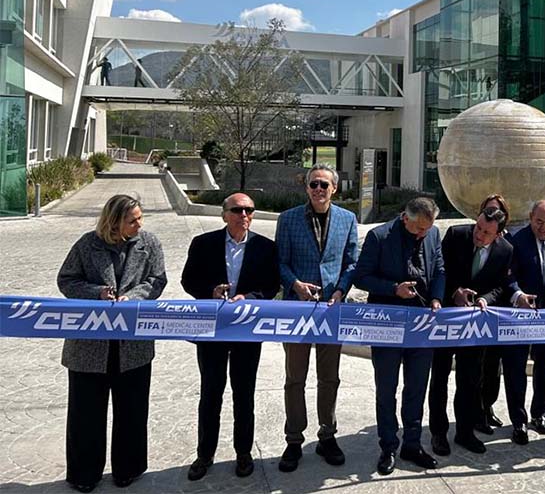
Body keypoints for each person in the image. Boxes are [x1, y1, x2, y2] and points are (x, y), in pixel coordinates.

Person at [56, 194, 166, 493]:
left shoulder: (149, 243)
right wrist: (97, 293)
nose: (139, 224)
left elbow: (157, 280)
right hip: (89, 345)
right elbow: (66, 280)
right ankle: (84, 474)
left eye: (140, 218)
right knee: (85, 414)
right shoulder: (86, 244)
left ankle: (128, 468)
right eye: (132, 220)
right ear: (114, 222)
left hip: (133, 345)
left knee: (132, 410)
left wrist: (133, 297)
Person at [180, 193, 280, 481]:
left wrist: (249, 297)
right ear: (224, 214)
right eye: (237, 210)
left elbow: (272, 285)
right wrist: (209, 292)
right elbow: (188, 280)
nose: (243, 215)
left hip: (246, 331)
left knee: (244, 394)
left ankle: (243, 453)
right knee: (211, 393)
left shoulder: (265, 247)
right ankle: (205, 454)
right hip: (213, 330)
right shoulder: (203, 243)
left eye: (249, 210)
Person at [275, 164, 359, 472]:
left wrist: (340, 290)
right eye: (314, 184)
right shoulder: (288, 219)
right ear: (307, 187)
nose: (319, 189)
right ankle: (294, 439)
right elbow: (280, 262)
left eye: (324, 184)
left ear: (334, 188)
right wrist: (295, 284)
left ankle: (327, 435)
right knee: (294, 378)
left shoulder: (347, 219)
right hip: (297, 310)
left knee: (329, 378)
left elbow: (351, 262)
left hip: (331, 311)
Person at [355, 197, 445, 475]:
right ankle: (388, 446)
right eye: (419, 228)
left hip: (422, 325)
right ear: (406, 218)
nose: (423, 234)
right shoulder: (379, 236)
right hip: (388, 324)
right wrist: (394, 288)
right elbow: (361, 277)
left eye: (427, 229)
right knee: (387, 389)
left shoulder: (433, 234)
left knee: (416, 389)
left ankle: (412, 444)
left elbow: (439, 270)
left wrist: (437, 298)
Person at [427, 205, 515, 456]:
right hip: (446, 322)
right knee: (440, 378)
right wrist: (454, 292)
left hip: (475, 327)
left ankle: (465, 432)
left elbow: (501, 286)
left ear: (497, 234)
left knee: (469, 380)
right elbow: (438, 271)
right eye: (478, 227)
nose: (479, 234)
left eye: (486, 232)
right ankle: (438, 433)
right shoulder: (456, 235)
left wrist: (486, 299)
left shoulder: (505, 250)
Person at [504, 200, 545, 445]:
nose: (543, 227)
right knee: (516, 370)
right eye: (539, 222)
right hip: (521, 318)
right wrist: (518, 295)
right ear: (530, 217)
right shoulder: (516, 241)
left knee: (543, 368)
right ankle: (518, 421)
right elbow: (508, 277)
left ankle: (539, 414)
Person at [477, 194, 510, 434]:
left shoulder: (506, 248)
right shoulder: (466, 236)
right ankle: (475, 412)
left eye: (497, 211)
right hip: (469, 315)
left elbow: (503, 284)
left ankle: (487, 407)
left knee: (492, 368)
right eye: (488, 210)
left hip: (495, 315)